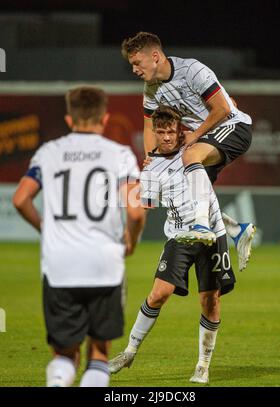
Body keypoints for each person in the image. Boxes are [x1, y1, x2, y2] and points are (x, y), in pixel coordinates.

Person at [12, 86, 145, 387]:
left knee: (63, 355)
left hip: (60, 266)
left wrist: (46, 228)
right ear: (105, 118)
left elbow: (20, 199)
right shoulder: (120, 155)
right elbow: (136, 212)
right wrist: (131, 241)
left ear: (70, 119)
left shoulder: (48, 152)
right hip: (105, 264)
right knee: (99, 353)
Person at [109, 106, 236, 384]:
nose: (167, 137)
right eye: (161, 132)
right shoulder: (152, 166)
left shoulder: (196, 148)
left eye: (171, 131)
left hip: (211, 234)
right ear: (154, 132)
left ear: (179, 130)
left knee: (210, 301)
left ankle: (203, 365)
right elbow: (148, 206)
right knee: (158, 295)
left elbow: (227, 115)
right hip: (179, 236)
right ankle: (129, 352)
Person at [121, 31, 256, 271]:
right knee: (176, 191)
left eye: (136, 63)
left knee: (190, 155)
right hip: (206, 138)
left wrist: (195, 134)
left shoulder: (192, 70)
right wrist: (153, 162)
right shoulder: (151, 89)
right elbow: (150, 126)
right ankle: (237, 230)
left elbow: (224, 108)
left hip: (234, 127)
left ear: (155, 56)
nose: (134, 70)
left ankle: (202, 226)